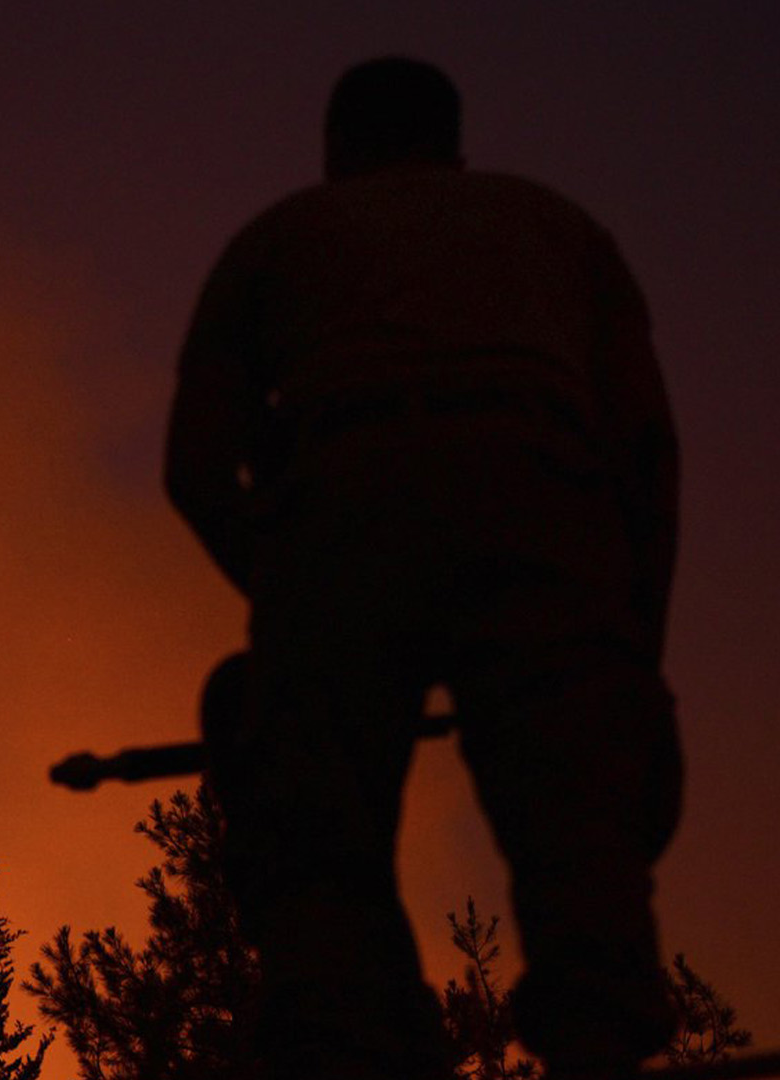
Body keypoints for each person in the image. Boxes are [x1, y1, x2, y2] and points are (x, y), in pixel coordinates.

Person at [164, 57, 682, 1080]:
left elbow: (194, 467)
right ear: (452, 143)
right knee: (583, 845)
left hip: (341, 503)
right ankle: (598, 1044)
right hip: (539, 503)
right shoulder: (560, 228)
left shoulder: (275, 241)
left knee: (315, 839)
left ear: (335, 150)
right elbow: (647, 454)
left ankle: (355, 1040)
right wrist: (631, 655)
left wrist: (297, 601)